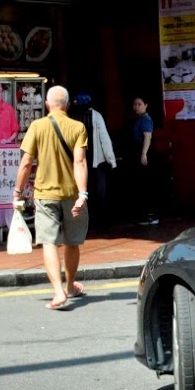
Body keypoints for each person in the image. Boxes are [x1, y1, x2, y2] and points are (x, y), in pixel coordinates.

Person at [12, 85, 89, 310]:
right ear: (67, 105)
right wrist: (82, 194)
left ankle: (58, 292)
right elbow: (80, 162)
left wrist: (17, 191)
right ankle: (70, 286)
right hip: (72, 194)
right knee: (72, 242)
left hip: (45, 195)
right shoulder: (78, 127)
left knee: (49, 242)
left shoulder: (37, 126)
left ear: (47, 104)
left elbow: (26, 163)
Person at [74, 93, 116, 226]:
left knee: (82, 191)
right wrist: (111, 160)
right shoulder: (96, 116)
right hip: (96, 161)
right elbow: (104, 139)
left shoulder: (72, 117)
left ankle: (85, 220)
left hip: (78, 161)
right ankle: (102, 220)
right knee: (99, 191)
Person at [126, 97, 159, 225]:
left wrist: (144, 154)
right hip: (139, 153)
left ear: (146, 105)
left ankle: (148, 214)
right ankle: (146, 213)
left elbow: (147, 137)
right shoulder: (138, 119)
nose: (136, 107)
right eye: (134, 104)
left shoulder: (145, 119)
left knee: (144, 184)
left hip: (144, 153)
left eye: (139, 104)